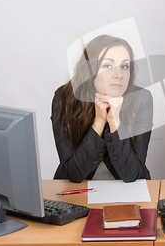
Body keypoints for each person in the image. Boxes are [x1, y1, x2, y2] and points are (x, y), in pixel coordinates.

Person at [51, 35, 153, 183]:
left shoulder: (141, 98)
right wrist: (99, 121)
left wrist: (115, 122)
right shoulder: (65, 97)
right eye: (107, 66)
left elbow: (131, 173)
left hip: (127, 190)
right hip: (76, 191)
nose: (119, 75)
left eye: (125, 66)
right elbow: (74, 173)